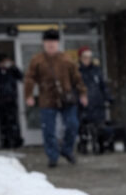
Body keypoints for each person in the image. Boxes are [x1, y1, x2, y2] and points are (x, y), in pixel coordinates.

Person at [24, 29, 88, 167]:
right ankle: (53, 156)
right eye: (48, 42)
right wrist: (28, 95)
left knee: (72, 124)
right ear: (43, 43)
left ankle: (67, 150)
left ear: (58, 43)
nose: (51, 45)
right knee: (48, 130)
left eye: (53, 42)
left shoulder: (66, 59)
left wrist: (82, 93)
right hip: (47, 100)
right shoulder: (37, 60)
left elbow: (77, 78)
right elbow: (29, 78)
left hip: (67, 98)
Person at [77, 46, 112, 126]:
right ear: (80, 58)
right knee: (86, 128)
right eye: (85, 57)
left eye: (89, 57)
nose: (87, 60)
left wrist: (108, 96)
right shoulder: (77, 72)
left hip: (98, 105)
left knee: (99, 127)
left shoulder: (96, 70)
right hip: (84, 107)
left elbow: (103, 85)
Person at [0, 54, 24, 148]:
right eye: (5, 61)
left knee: (13, 120)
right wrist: (0, 69)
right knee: (4, 121)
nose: (6, 63)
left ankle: (16, 140)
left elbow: (21, 77)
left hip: (12, 99)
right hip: (1, 100)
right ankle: (6, 141)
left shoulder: (12, 71)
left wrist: (13, 67)